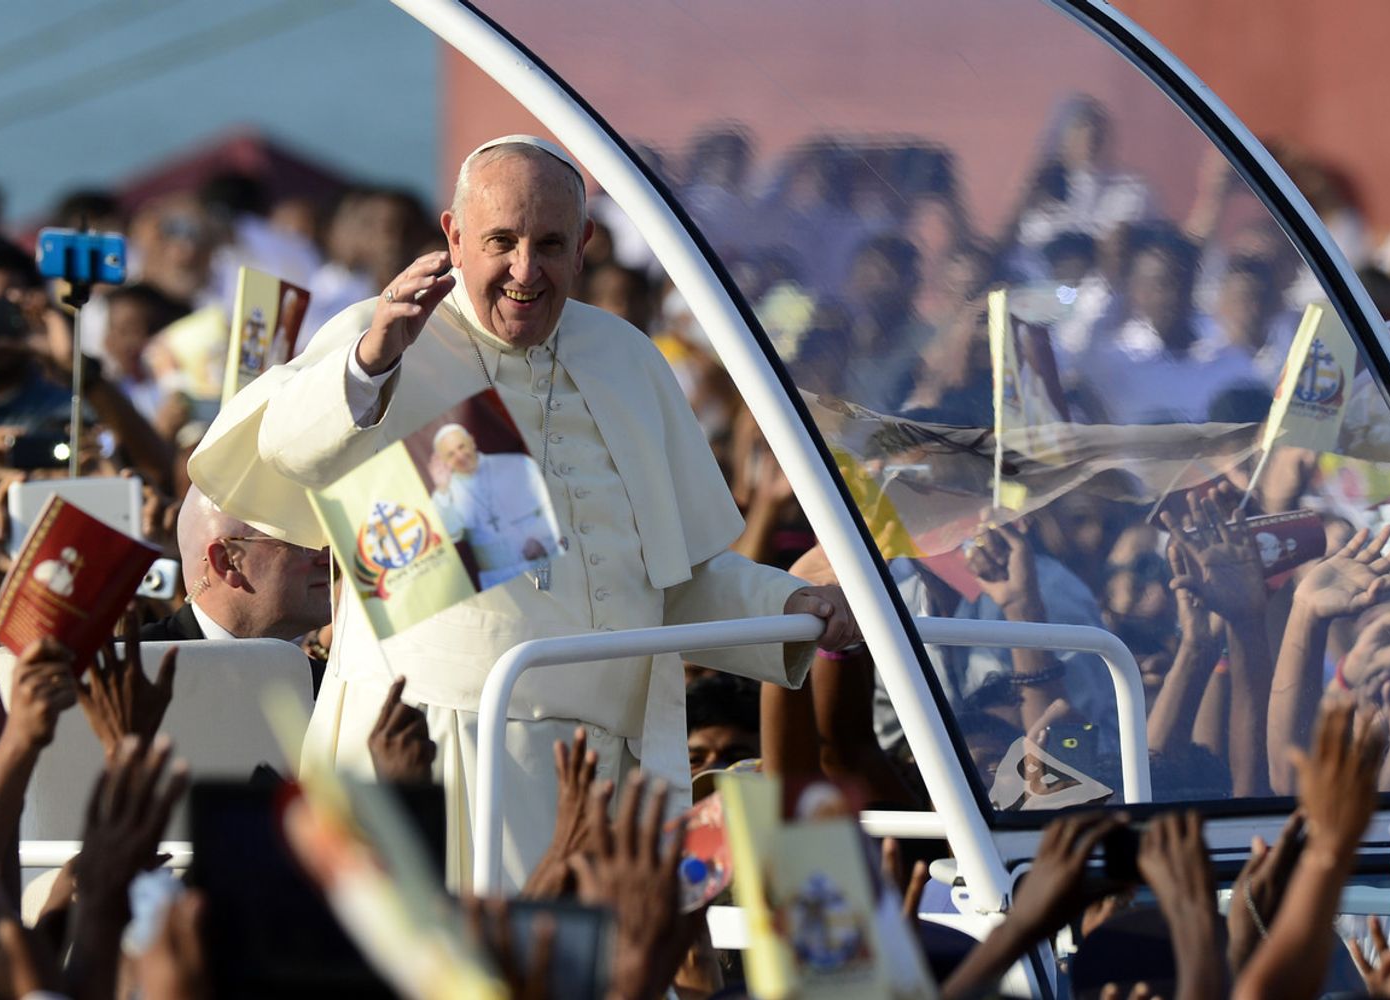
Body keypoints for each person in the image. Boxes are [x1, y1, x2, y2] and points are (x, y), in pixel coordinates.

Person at [188, 134, 858, 887]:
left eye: (549, 244)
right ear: (454, 236)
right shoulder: (387, 335)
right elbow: (286, 451)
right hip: (430, 751)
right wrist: (371, 363)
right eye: (501, 241)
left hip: (599, 769)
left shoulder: (629, 359)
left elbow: (678, 579)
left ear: (585, 248)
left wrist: (792, 603)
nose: (524, 271)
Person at [142, 485, 332, 691]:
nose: (329, 560)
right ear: (228, 562)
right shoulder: (132, 673)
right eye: (303, 543)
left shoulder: (327, 690)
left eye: (328, 541)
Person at [428, 422, 555, 588]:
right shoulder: (444, 494)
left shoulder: (517, 464)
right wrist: (443, 490)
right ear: (443, 461)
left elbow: (552, 506)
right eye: (451, 454)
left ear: (472, 441)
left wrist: (541, 540)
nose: (460, 456)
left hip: (545, 562)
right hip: (498, 580)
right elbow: (450, 534)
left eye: (462, 446)